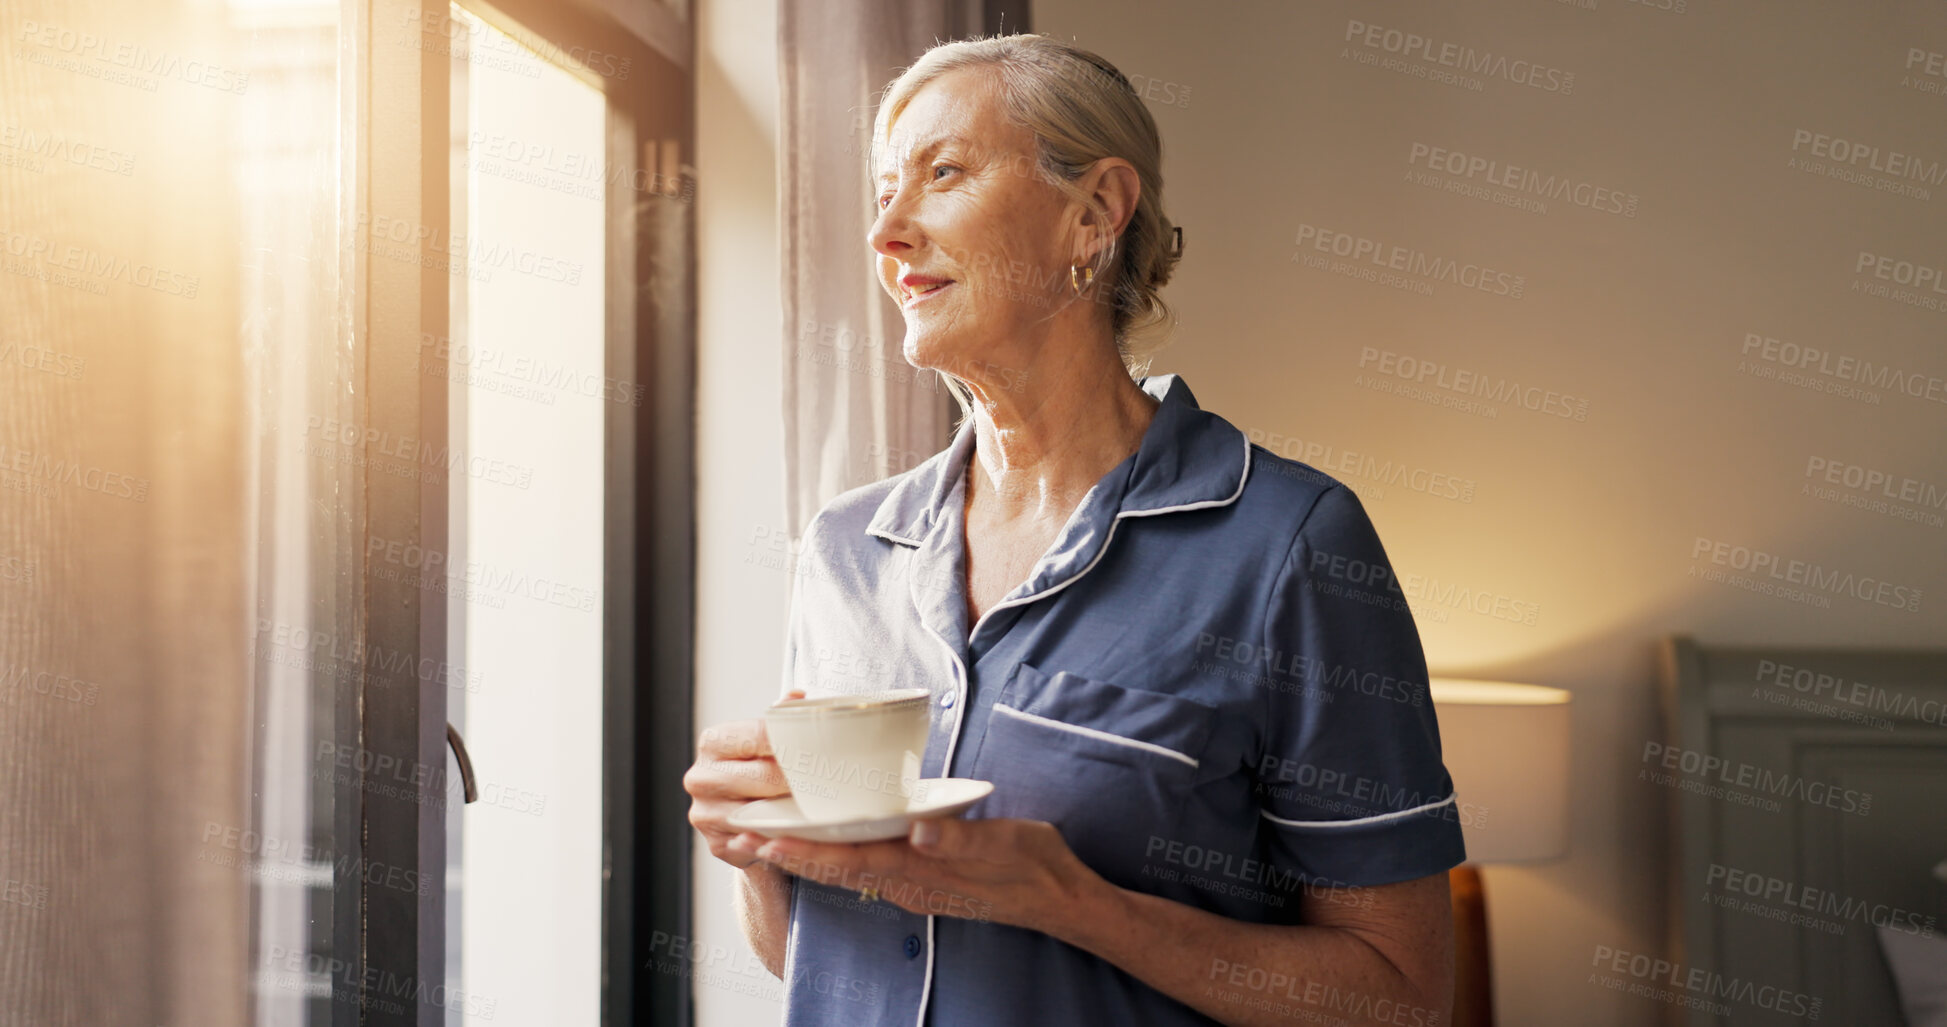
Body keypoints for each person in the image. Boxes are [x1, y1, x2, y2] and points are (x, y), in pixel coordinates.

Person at [685, 33, 1464, 1027]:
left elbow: (1400, 998)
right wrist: (760, 852)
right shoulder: (847, 547)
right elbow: (816, 957)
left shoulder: (1292, 545)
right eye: (883, 189)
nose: (885, 230)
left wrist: (1074, 905)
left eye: (943, 173)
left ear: (1093, 213)